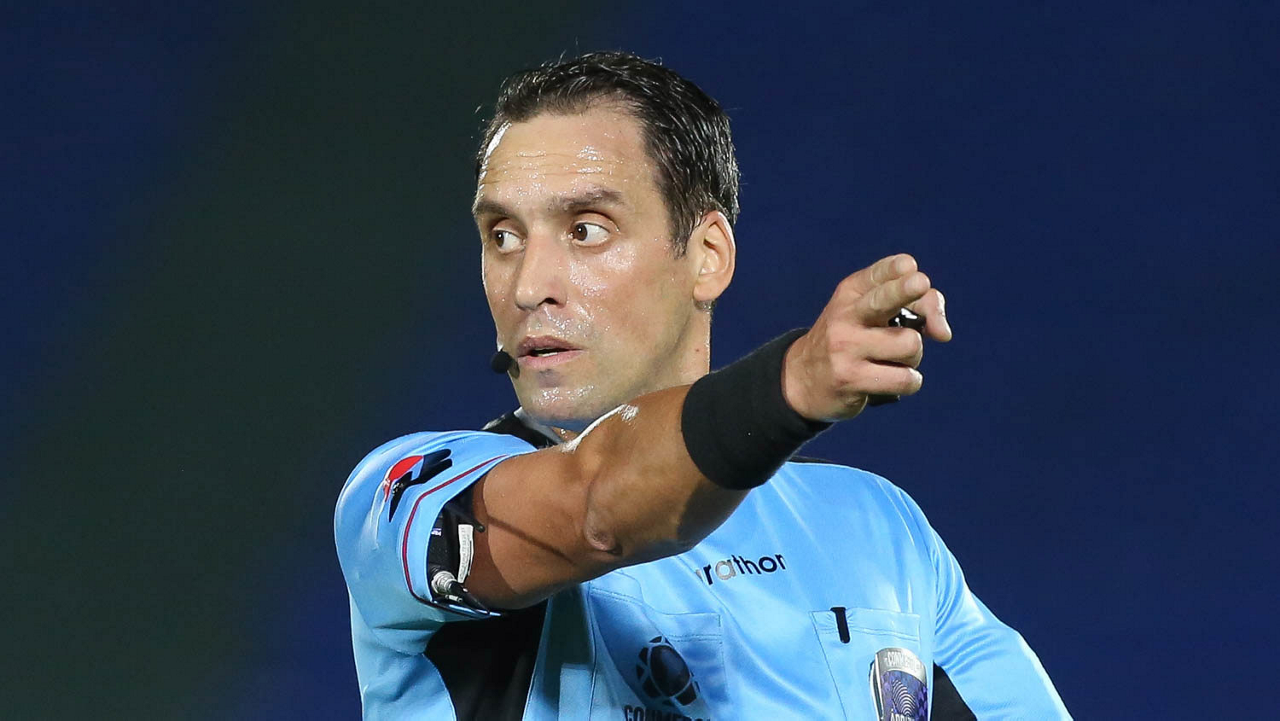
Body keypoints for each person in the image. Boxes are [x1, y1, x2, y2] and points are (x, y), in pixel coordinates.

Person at [335, 51, 1068, 720]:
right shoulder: (401, 499)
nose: (529, 285)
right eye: (503, 236)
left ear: (708, 254)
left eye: (586, 229)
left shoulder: (877, 527)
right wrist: (789, 383)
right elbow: (597, 507)